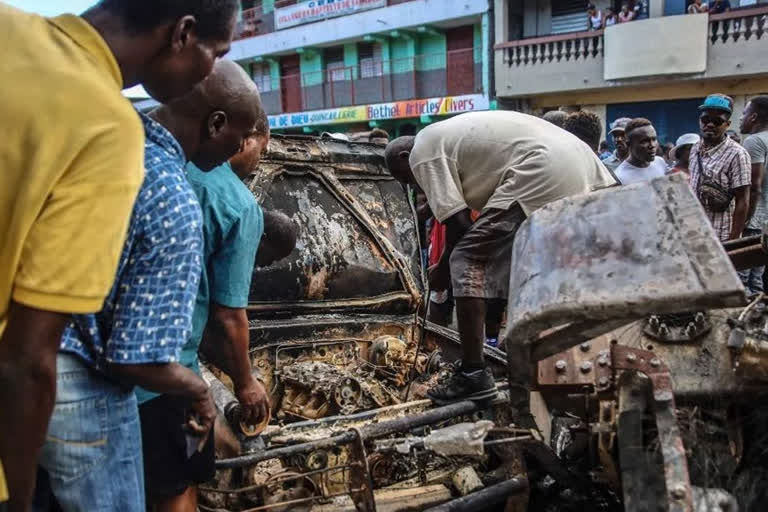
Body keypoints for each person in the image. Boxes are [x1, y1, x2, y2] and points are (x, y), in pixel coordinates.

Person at [0, 1, 239, 509]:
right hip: (67, 392)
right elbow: (31, 357)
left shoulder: (9, 30)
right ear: (183, 34)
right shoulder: (108, 130)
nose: (211, 70)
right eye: (216, 54)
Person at [384, 111, 616, 411]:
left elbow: (458, 226)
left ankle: (473, 373)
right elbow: (471, 229)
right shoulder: (451, 137)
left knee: (466, 259)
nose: (415, 187)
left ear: (405, 157)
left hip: (543, 167)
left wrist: (440, 271)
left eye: (406, 180)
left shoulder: (422, 152)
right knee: (545, 268)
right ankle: (550, 352)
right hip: (581, 163)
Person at [138, 98, 295, 512]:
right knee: (179, 488)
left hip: (123, 369)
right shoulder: (237, 203)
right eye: (262, 147)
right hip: (170, 376)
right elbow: (228, 316)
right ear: (243, 138)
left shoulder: (162, 169)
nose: (259, 161)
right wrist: (246, 384)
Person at [690, 94, 752, 243]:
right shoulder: (695, 149)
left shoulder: (737, 154)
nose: (710, 125)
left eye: (717, 121)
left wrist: (734, 240)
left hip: (721, 236)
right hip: (695, 233)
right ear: (700, 121)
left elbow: (743, 200)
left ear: (727, 124)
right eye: (705, 120)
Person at [739, 96, 768, 294]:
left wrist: (743, 221)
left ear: (753, 117)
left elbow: (755, 186)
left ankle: (740, 321)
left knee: (741, 278)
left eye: (744, 113)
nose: (741, 118)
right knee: (757, 278)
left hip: (754, 222)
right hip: (766, 221)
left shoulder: (754, 141)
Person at [614, 118, 669, 185]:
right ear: (629, 144)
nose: (652, 145)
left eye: (654, 139)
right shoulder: (620, 177)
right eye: (644, 141)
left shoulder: (660, 162)